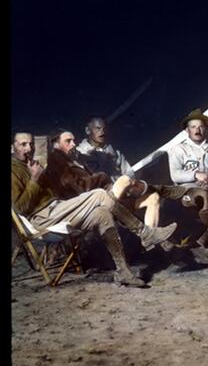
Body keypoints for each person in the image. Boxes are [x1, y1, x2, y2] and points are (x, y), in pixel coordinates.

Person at [11, 131, 173, 287]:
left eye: (31, 144)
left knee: (102, 214)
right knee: (100, 195)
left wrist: (43, 175)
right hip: (42, 218)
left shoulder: (32, 165)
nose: (29, 148)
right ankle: (145, 233)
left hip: (57, 209)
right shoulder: (13, 170)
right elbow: (20, 207)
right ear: (13, 147)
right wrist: (35, 178)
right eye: (23, 144)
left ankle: (123, 271)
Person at [46, 128, 178, 240]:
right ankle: (146, 228)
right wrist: (101, 177)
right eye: (68, 141)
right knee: (124, 180)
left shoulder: (73, 159)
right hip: (89, 205)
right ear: (56, 145)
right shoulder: (57, 162)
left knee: (152, 198)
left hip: (106, 200)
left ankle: (150, 238)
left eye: (73, 140)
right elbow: (80, 189)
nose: (73, 144)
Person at [168, 108, 208, 246]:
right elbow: (175, 175)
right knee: (202, 196)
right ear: (187, 130)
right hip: (186, 190)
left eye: (201, 127)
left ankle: (205, 238)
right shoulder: (178, 149)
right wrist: (195, 175)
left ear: (206, 129)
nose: (197, 130)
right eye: (193, 127)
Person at [76, 116, 134, 181]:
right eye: (98, 128)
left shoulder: (115, 152)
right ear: (88, 130)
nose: (102, 132)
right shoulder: (80, 154)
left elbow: (129, 173)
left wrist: (123, 183)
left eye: (104, 129)